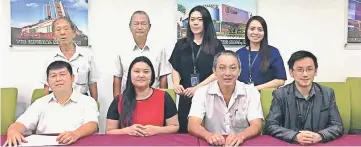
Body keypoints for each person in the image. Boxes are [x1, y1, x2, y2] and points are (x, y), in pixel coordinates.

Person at [5, 61, 99, 146]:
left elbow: (92, 124)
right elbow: (21, 123)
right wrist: (13, 131)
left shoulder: (87, 101)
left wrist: (75, 134)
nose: (58, 79)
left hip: (77, 143)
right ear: (48, 82)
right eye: (53, 76)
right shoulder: (40, 103)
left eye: (62, 74)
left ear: (72, 78)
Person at [265, 50, 343, 145]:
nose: (305, 74)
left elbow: (337, 125)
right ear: (291, 72)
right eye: (300, 70)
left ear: (316, 71)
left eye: (309, 69)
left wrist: (320, 136)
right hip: (291, 144)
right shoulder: (280, 94)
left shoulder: (327, 93)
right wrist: (294, 136)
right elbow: (271, 125)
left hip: (317, 144)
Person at [188, 50, 263, 146]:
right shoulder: (202, 92)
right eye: (222, 68)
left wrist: (241, 136)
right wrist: (208, 136)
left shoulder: (251, 92)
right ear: (214, 71)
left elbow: (256, 125)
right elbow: (192, 124)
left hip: (242, 142)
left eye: (233, 68)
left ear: (239, 71)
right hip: (213, 143)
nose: (227, 73)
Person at [169, 5, 225, 133]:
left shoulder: (216, 45)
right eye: (192, 19)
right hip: (186, 95)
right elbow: (175, 67)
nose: (195, 23)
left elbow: (218, 72)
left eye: (199, 19)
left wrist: (197, 88)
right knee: (185, 131)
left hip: (210, 95)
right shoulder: (181, 44)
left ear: (206, 21)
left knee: (209, 132)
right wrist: (176, 84)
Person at [106, 56, 179, 136]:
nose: (141, 75)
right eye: (136, 71)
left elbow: (174, 126)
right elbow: (109, 131)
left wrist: (157, 130)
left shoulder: (164, 97)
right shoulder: (119, 100)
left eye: (146, 72)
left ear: (152, 76)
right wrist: (127, 131)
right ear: (130, 75)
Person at [113, 11, 172, 97]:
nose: (140, 27)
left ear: (149, 27)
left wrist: (162, 101)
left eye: (143, 24)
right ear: (130, 27)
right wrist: (117, 104)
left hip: (153, 99)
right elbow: (117, 78)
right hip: (128, 99)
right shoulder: (121, 49)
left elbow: (163, 78)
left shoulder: (159, 49)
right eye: (136, 24)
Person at [41, 17, 99, 100]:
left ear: (74, 33)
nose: (62, 32)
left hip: (82, 101)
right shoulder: (49, 58)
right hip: (57, 102)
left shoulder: (87, 55)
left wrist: (94, 105)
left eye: (66, 29)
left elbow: (92, 83)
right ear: (53, 36)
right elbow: (46, 86)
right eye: (58, 29)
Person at [236, 16, 286, 90]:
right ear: (247, 31)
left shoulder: (273, 52)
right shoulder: (238, 53)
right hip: (242, 97)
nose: (256, 32)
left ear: (264, 33)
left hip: (266, 97)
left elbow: (280, 80)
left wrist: (254, 89)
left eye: (260, 30)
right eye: (252, 29)